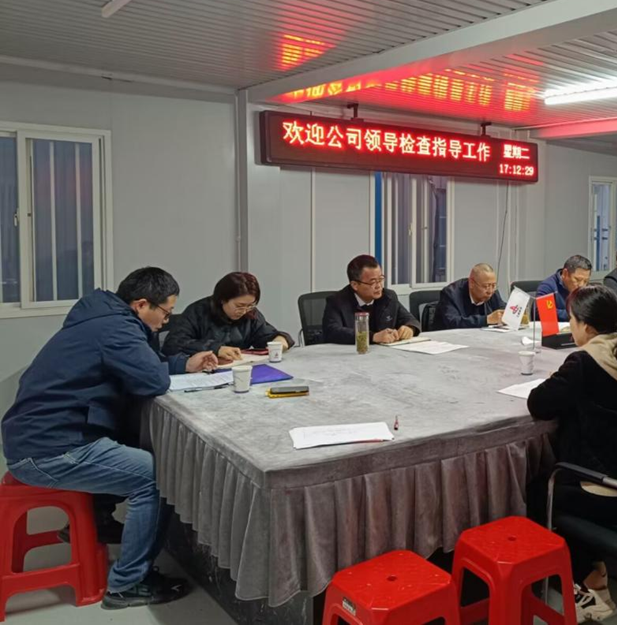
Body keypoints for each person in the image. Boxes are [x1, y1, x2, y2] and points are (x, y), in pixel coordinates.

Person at [1, 267, 218, 609]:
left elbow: (143, 367)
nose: (166, 321)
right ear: (141, 304)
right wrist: (168, 366)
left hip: (38, 438)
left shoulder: (102, 319)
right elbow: (152, 380)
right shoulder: (117, 329)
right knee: (155, 477)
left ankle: (96, 522)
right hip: (50, 449)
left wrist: (185, 364)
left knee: (132, 443)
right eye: (165, 313)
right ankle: (128, 584)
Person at [527, 285, 617, 622]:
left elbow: (539, 403)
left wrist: (559, 379)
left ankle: (589, 581)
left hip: (607, 488)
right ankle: (601, 565)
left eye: (571, 320)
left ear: (585, 325)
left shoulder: (584, 362)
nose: (570, 327)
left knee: (540, 490)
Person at [163, 272, 293, 362]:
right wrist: (216, 349)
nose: (244, 311)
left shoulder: (250, 313)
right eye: (239, 306)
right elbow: (173, 344)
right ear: (223, 299)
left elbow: (265, 335)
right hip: (204, 373)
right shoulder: (198, 311)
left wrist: (281, 340)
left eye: (250, 305)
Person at [322, 255, 419, 344]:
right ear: (355, 285)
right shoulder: (337, 301)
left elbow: (410, 319)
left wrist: (410, 328)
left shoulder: (388, 297)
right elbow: (332, 332)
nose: (379, 286)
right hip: (352, 353)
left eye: (380, 279)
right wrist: (373, 337)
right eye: (373, 282)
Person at [433, 263, 507, 329]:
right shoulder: (451, 294)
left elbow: (503, 310)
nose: (490, 291)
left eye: (493, 285)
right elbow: (453, 322)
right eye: (486, 286)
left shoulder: (492, 292)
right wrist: (487, 319)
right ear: (471, 284)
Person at [536, 254, 593, 321]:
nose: (582, 285)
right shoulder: (547, 286)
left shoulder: (587, 288)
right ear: (565, 273)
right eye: (577, 280)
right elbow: (543, 312)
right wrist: (576, 314)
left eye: (586, 281)